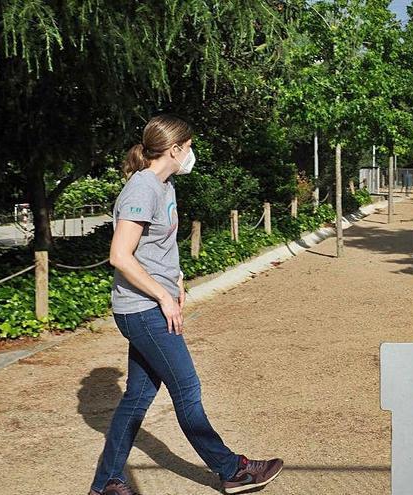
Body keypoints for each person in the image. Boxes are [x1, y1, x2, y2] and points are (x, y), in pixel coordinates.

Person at [89, 115, 282, 495]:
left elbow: (157, 247)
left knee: (139, 396)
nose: (192, 154)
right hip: (143, 310)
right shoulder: (141, 189)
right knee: (187, 390)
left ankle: (107, 483)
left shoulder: (165, 184)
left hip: (154, 304)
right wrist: (162, 296)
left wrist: (175, 281)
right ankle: (231, 469)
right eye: (189, 147)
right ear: (174, 149)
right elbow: (120, 255)